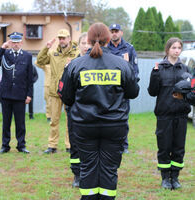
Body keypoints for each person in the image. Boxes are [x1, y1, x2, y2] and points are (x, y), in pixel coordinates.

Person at [58, 23, 139, 199]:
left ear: (88, 40)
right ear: (108, 39)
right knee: (109, 169)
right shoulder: (121, 64)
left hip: (84, 126)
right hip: (114, 126)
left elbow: (66, 97)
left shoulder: (75, 65)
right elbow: (133, 92)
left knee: (87, 168)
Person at [148, 37, 190, 190]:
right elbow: (152, 92)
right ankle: (165, 178)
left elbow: (192, 92)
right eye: (173, 47)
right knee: (165, 147)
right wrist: (154, 75)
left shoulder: (185, 69)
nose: (176, 50)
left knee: (179, 147)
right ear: (167, 50)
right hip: (164, 115)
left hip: (181, 116)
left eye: (179, 47)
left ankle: (175, 177)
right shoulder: (159, 68)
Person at [37, 29, 79, 154]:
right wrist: (46, 48)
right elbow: (40, 61)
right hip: (55, 92)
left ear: (69, 38)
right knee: (54, 120)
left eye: (64, 38)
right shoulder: (53, 52)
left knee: (70, 120)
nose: (61, 40)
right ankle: (52, 145)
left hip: (70, 92)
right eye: (60, 38)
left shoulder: (76, 53)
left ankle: (70, 145)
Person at [0, 32, 33, 154]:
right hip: (6, 94)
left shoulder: (27, 56)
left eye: (17, 42)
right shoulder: (5, 53)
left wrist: (29, 94)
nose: (15, 44)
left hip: (20, 94)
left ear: (21, 42)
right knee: (6, 122)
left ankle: (21, 145)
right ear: (10, 43)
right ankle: (5, 145)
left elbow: (29, 77)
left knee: (20, 122)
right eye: (13, 42)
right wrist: (2, 48)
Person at [107, 23, 139, 154]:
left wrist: (130, 87)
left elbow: (134, 71)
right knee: (107, 117)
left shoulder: (129, 49)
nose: (114, 33)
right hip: (108, 91)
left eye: (116, 31)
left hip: (123, 91)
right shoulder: (105, 48)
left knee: (123, 118)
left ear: (121, 33)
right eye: (112, 31)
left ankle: (123, 145)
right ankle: (109, 143)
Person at [64, 32, 90, 188]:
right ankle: (77, 175)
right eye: (83, 43)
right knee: (75, 145)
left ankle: (90, 174)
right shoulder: (72, 64)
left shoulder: (97, 65)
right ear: (78, 45)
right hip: (75, 112)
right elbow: (64, 91)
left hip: (92, 113)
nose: (86, 46)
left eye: (89, 43)